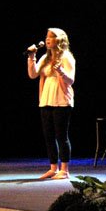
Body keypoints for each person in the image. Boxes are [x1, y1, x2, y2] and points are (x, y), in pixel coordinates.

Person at [27, 28, 76, 180]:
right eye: (47, 36)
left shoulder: (67, 57)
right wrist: (32, 57)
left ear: (59, 40)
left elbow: (71, 80)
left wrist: (61, 71)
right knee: (49, 136)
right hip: (46, 100)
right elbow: (33, 74)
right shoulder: (45, 58)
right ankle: (53, 167)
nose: (47, 39)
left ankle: (64, 170)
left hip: (61, 100)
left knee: (61, 136)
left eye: (51, 37)